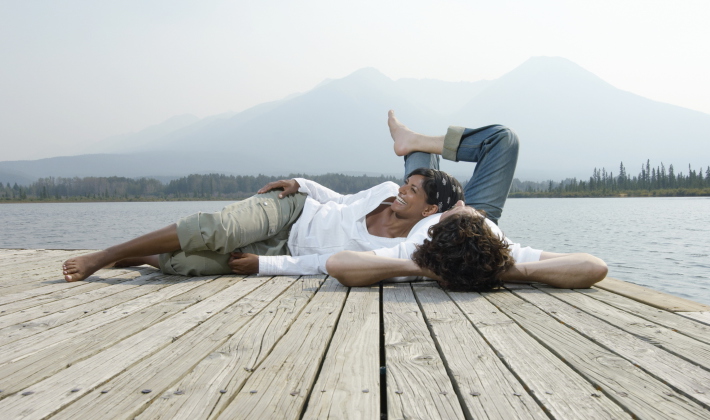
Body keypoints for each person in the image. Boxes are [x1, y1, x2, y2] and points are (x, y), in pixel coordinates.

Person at [61, 134, 465, 282]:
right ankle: (106, 254)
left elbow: (326, 263)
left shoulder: (404, 247)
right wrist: (300, 184)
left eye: (412, 192)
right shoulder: (382, 191)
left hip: (285, 251)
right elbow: (339, 202)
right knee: (218, 231)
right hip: (293, 211)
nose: (401, 191)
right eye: (406, 184)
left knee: (190, 266)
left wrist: (265, 264)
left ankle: (142, 255)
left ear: (429, 211)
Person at [325, 111, 608, 290]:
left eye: (463, 208)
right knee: (503, 140)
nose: (459, 203)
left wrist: (432, 268)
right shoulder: (504, 254)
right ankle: (413, 142)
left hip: (438, 223)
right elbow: (593, 267)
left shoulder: (421, 251)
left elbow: (339, 265)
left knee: (428, 178)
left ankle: (412, 142)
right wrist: (497, 270)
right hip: (471, 234)